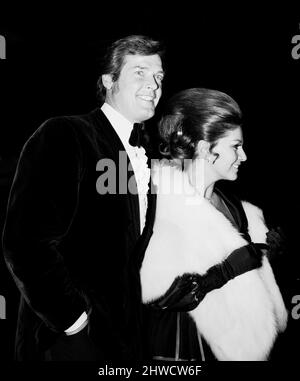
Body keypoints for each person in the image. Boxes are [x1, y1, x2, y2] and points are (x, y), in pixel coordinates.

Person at [2, 35, 165, 361]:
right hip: (67, 342)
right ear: (109, 80)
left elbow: (125, 254)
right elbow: (24, 242)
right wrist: (74, 322)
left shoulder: (136, 154)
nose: (154, 84)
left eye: (159, 76)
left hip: (122, 343)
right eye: (140, 72)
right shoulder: (65, 134)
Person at [140, 88, 288, 361]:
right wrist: (227, 270)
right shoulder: (156, 206)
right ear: (206, 149)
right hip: (180, 349)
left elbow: (249, 289)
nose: (243, 156)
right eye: (235, 146)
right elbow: (154, 290)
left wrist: (267, 259)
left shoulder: (235, 208)